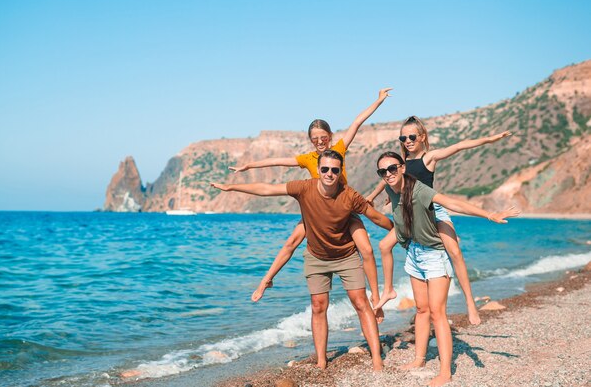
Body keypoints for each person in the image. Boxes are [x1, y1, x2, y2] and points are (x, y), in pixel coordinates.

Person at [212, 150, 394, 371]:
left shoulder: (349, 195)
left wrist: (399, 230)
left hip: (346, 255)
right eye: (325, 169)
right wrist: (232, 187)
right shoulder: (304, 188)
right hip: (317, 256)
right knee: (318, 306)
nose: (329, 174)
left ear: (340, 172)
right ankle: (321, 361)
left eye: (335, 170)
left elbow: (375, 217)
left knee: (360, 303)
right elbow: (267, 189)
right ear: (318, 170)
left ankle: (376, 359)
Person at [229, 88, 392, 302]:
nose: (320, 141)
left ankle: (377, 298)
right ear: (310, 140)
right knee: (291, 243)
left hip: (344, 210)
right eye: (315, 138)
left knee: (366, 249)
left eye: (323, 137)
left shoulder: (339, 149)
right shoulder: (308, 158)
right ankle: (266, 280)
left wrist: (378, 100)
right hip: (315, 213)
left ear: (330, 136)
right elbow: (277, 161)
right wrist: (249, 165)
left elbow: (357, 122)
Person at [375, 151, 519, 386]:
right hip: (414, 254)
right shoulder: (391, 188)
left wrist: (489, 214)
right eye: (383, 171)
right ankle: (419, 359)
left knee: (437, 313)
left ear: (402, 168)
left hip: (434, 256)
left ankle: (445, 372)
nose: (388, 174)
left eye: (392, 169)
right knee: (421, 310)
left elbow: (452, 203)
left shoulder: (420, 191)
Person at [368, 115, 512, 325]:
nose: (407, 141)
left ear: (422, 136)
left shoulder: (429, 158)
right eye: (403, 137)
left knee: (454, 252)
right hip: (412, 216)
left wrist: (489, 139)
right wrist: (372, 196)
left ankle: (470, 302)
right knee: (384, 246)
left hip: (434, 210)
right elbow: (386, 181)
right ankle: (391, 291)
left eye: (411, 136)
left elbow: (460, 146)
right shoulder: (399, 165)